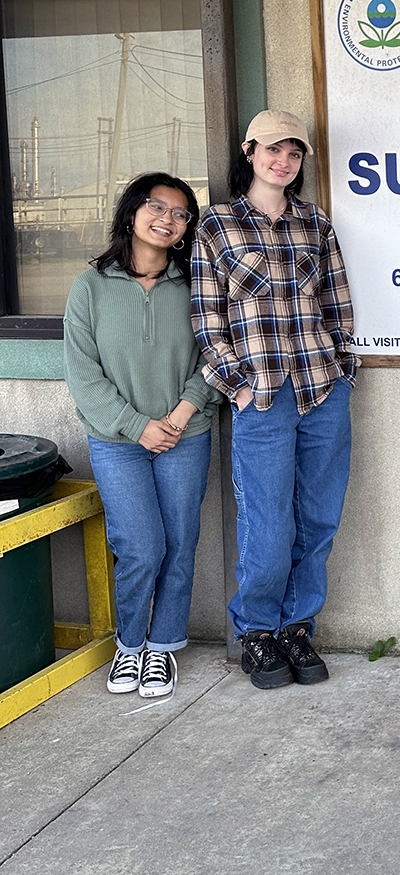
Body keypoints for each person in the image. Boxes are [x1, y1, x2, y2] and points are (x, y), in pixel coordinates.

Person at [191, 109, 357, 690]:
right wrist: (234, 388)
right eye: (272, 150)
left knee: (319, 515)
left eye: (293, 153)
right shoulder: (215, 226)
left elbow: (337, 303)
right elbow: (206, 322)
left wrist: (344, 369)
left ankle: (297, 627)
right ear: (248, 151)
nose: (282, 161)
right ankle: (258, 632)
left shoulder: (316, 225)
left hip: (321, 389)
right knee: (267, 520)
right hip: (260, 395)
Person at [64, 172, 217, 699]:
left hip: (185, 434)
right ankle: (130, 646)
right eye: (157, 206)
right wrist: (138, 426)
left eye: (180, 213)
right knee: (140, 546)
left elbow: (215, 356)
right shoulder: (90, 287)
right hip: (117, 441)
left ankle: (163, 646)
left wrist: (177, 417)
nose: (168, 219)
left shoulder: (196, 283)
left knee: (179, 543)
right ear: (132, 212)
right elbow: (83, 374)